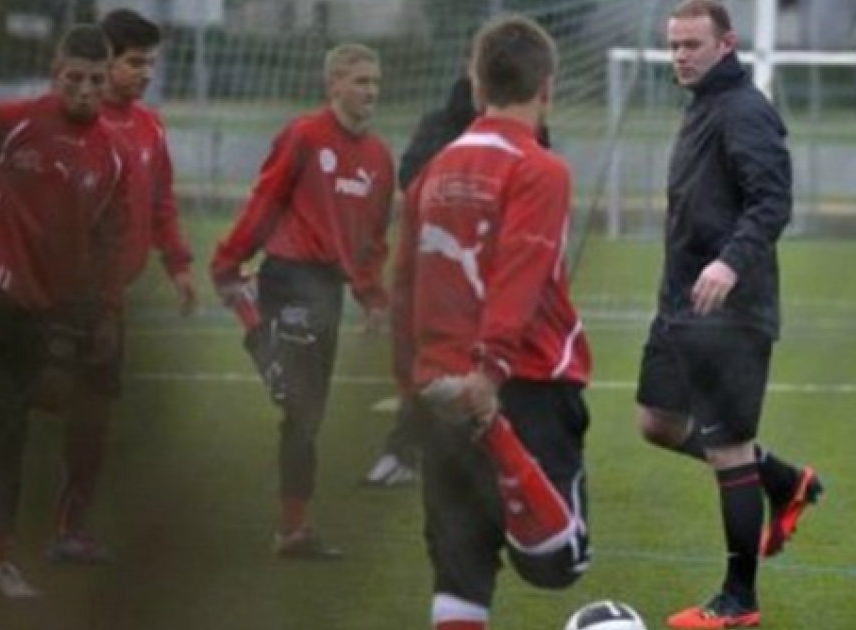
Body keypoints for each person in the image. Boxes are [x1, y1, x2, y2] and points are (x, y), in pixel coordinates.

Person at [393, 15, 591, 630]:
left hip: (439, 386)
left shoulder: (433, 171)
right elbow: (520, 274)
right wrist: (490, 376)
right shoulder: (541, 168)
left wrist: (410, 383)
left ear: (477, 87)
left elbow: (406, 282)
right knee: (562, 560)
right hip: (521, 384)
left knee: (461, 576)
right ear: (548, 88)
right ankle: (497, 437)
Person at [634, 1, 822, 627]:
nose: (680, 55)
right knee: (657, 422)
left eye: (692, 44)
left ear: (727, 44)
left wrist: (729, 264)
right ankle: (783, 479)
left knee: (728, 447)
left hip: (732, 313)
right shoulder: (702, 106)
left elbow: (772, 201)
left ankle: (739, 601)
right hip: (680, 305)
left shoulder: (745, 110)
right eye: (674, 45)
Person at [0, 24, 128, 597]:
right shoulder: (11, 121)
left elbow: (105, 244)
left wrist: (101, 312)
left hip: (32, 311)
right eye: (75, 78)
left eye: (96, 80)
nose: (85, 90)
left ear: (107, 81)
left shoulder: (111, 159)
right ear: (55, 74)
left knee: (9, 431)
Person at [210, 43, 394, 559]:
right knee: (297, 402)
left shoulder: (380, 158)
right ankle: (250, 313)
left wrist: (372, 295)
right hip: (289, 278)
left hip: (328, 290)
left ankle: (293, 532)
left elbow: (371, 239)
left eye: (376, 82)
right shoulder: (305, 136)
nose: (371, 91)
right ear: (334, 84)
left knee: (306, 417)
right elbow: (266, 199)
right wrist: (229, 258)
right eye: (360, 81)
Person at [40, 7, 198, 565]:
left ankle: (70, 529)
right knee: (37, 402)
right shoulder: (71, 123)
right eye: (135, 62)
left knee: (93, 416)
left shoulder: (150, 127)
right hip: (55, 294)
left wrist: (178, 265)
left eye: (151, 63)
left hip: (109, 302)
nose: (146, 73)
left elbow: (161, 203)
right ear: (105, 61)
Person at [365, 73, 555, 488]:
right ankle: (403, 452)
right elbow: (412, 183)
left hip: (491, 289)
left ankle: (503, 460)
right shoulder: (441, 130)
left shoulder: (533, 141)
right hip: (451, 287)